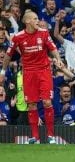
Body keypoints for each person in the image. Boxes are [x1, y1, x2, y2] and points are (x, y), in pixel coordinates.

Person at [1, 10, 61, 144]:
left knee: (47, 101)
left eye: (37, 19)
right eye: (34, 19)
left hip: (44, 71)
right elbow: (8, 55)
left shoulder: (44, 33)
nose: (37, 21)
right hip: (28, 73)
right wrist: (3, 72)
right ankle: (35, 137)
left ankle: (51, 135)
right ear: (27, 21)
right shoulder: (18, 37)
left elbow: (53, 48)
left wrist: (58, 59)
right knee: (32, 104)